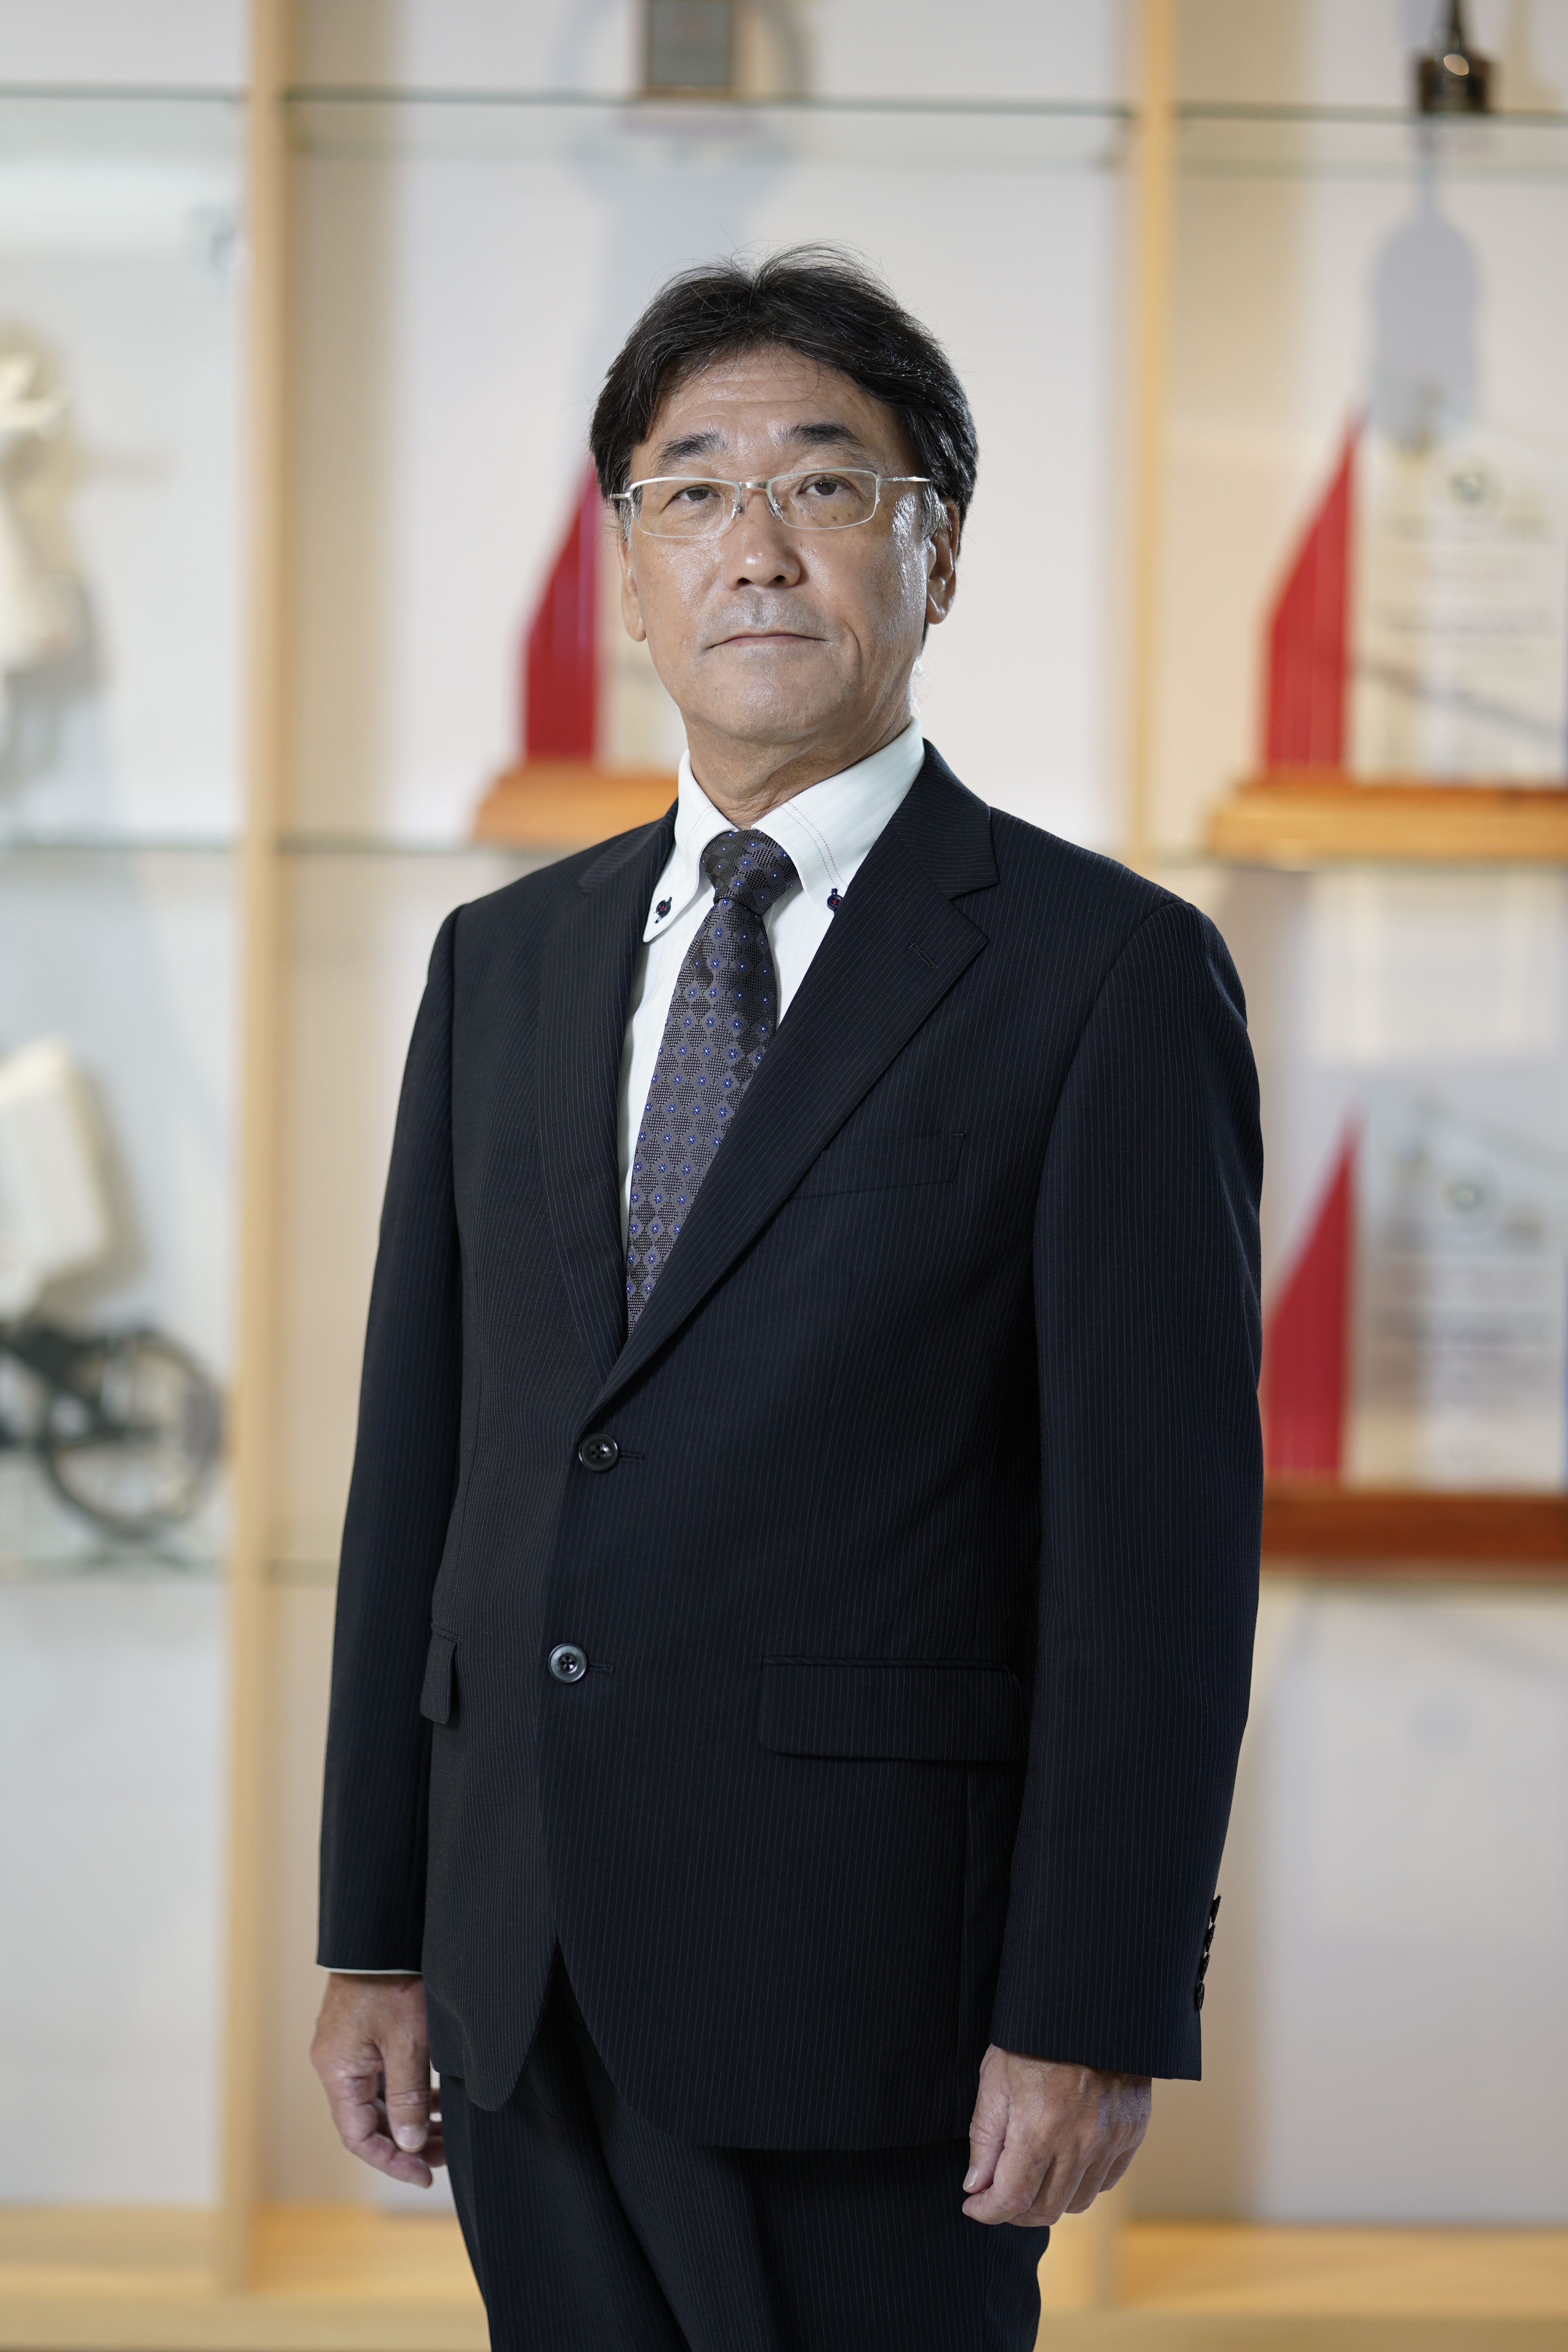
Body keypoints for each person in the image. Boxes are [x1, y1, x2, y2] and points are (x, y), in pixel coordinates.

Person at [311, 247, 1262, 2352]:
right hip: (520, 1969)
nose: (754, 546)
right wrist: (375, 1929)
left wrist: (1091, 2004)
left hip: (878, 1994)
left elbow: (1159, 1559)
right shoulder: (502, 965)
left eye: (827, 485)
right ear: (630, 573)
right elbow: (424, 1472)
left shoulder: (1105, 979)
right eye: (690, 491)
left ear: (939, 552)